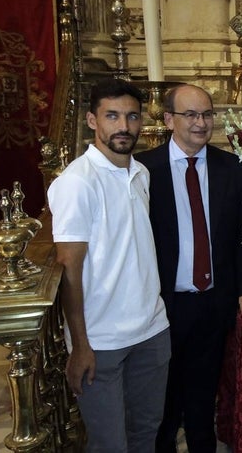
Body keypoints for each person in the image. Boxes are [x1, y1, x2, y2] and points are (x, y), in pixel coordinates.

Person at [135, 84, 242, 453]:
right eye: (191, 115)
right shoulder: (144, 171)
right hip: (162, 307)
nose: (201, 123)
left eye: (207, 114)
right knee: (162, 402)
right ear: (168, 120)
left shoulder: (230, 166)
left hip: (213, 303)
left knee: (202, 398)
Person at [48, 78, 171, 452]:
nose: (124, 126)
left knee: (145, 433)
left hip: (151, 330)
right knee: (109, 445)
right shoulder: (77, 183)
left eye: (132, 117)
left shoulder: (141, 173)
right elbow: (69, 267)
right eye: (112, 116)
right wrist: (80, 344)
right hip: (101, 340)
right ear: (91, 120)